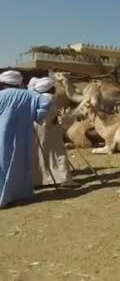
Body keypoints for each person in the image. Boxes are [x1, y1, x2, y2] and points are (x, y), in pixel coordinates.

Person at [0, 70, 53, 208]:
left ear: (3, 83)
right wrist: (37, 116)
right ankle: (20, 194)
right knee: (21, 162)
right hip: (24, 135)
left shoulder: (1, 95)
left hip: (3, 135)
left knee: (3, 163)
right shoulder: (30, 94)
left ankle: (3, 197)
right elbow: (46, 101)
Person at [29, 77, 78, 188]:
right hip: (49, 129)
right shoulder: (50, 99)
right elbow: (47, 119)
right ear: (50, 88)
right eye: (54, 87)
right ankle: (66, 180)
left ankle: (40, 180)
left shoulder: (37, 98)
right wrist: (59, 116)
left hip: (37, 129)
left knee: (40, 153)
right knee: (59, 153)